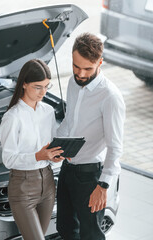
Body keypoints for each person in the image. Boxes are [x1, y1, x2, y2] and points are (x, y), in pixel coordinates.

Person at [56, 33, 126, 240]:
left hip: (90, 176)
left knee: (91, 235)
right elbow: (69, 122)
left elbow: (115, 147)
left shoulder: (110, 97)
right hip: (68, 169)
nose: (81, 73)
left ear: (100, 62)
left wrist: (103, 186)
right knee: (66, 229)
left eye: (88, 68)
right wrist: (56, 147)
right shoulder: (72, 82)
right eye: (76, 66)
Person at [0, 59, 65, 240]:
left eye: (46, 87)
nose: (43, 92)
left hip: (48, 184)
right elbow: (9, 159)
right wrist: (38, 155)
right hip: (23, 188)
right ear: (24, 84)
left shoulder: (48, 111)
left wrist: (54, 156)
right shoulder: (12, 117)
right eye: (37, 87)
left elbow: (50, 145)